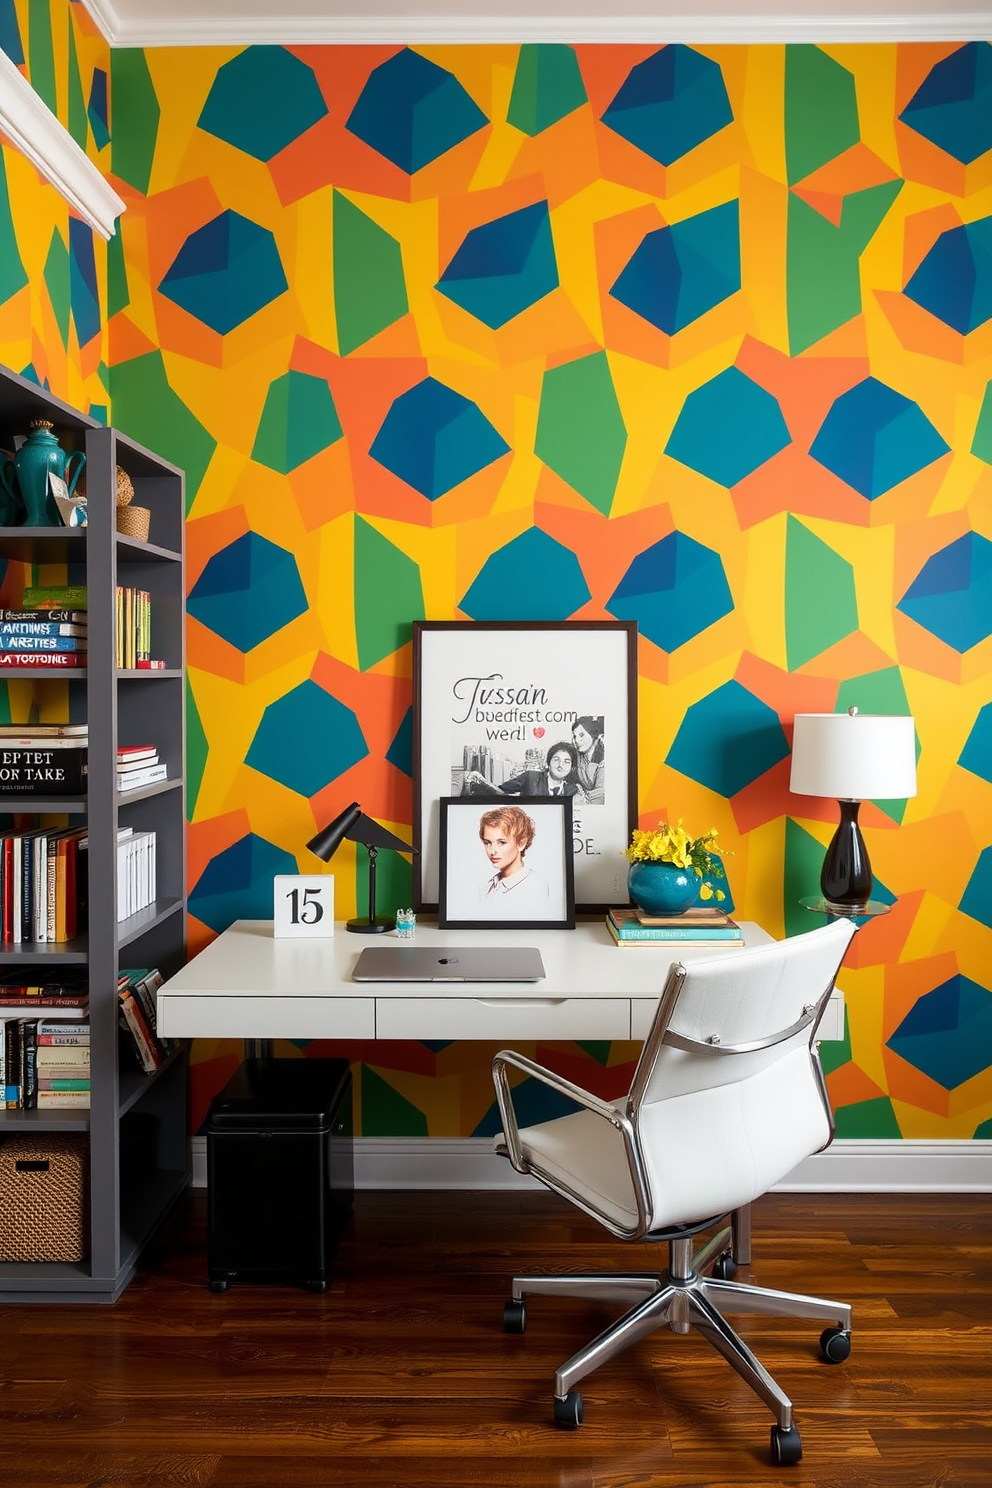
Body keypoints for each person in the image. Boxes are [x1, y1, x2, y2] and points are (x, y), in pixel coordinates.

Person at [478, 805, 549, 913]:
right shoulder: (486, 887)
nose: (492, 851)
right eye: (487, 843)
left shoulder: (535, 886)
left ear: (521, 843)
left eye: (501, 842)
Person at [461, 741, 579, 798]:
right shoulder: (530, 777)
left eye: (566, 761)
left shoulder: (572, 790)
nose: (560, 765)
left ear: (572, 767)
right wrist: (482, 780)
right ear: (548, 763)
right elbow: (500, 792)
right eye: (556, 759)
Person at [571, 715, 605, 804]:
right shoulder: (578, 758)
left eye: (581, 735)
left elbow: (601, 793)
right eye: (575, 736)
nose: (577, 740)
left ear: (593, 735)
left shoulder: (603, 762)